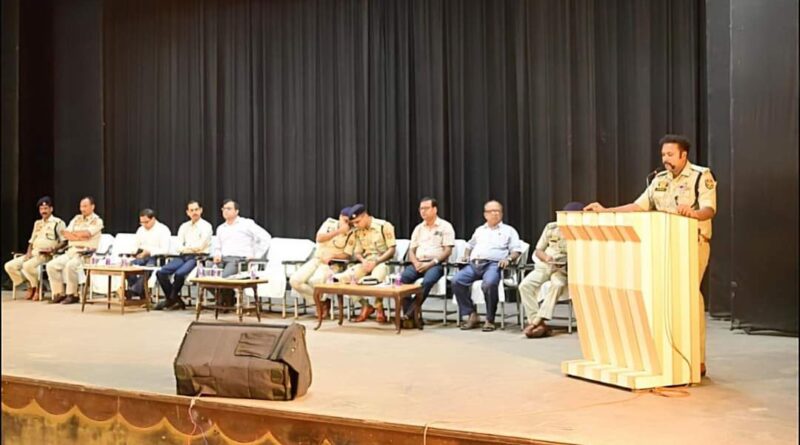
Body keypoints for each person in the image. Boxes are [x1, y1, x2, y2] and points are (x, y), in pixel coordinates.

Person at [584, 133, 716, 376]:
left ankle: (696, 358)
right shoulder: (659, 179)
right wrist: (606, 211)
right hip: (662, 245)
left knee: (688, 297)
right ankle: (666, 355)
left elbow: (709, 209)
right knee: (663, 298)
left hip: (692, 243)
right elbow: (638, 206)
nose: (665, 159)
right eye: (663, 154)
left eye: (670, 154)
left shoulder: (701, 175)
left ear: (683, 155)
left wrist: (694, 214)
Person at [453, 200, 525, 332]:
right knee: (457, 280)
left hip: (493, 264)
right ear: (485, 214)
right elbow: (469, 245)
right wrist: (466, 256)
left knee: (489, 284)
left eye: (497, 211)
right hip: (474, 264)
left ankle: (490, 319)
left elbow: (516, 250)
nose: (495, 214)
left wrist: (508, 259)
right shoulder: (480, 230)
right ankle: (471, 314)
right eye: (491, 211)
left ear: (501, 213)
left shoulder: (509, 230)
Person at [519, 202, 584, 338]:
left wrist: (565, 265)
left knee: (558, 284)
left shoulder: (582, 232)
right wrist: (546, 258)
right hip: (545, 265)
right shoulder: (551, 227)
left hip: (563, 270)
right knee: (524, 286)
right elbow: (538, 250)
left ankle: (536, 321)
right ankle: (539, 324)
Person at [333, 204, 396, 323]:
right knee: (343, 278)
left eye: (358, 222)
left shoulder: (383, 226)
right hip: (365, 262)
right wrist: (363, 261)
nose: (356, 225)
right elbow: (357, 252)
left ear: (365, 216)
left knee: (375, 279)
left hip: (382, 261)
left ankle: (379, 306)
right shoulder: (357, 231)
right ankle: (365, 305)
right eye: (354, 223)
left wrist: (376, 261)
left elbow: (392, 249)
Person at [399, 197, 455, 327]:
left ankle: (410, 314)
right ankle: (411, 316)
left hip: (436, 264)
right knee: (402, 280)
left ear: (435, 209)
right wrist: (415, 262)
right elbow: (411, 250)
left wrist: (431, 263)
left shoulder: (445, 226)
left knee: (427, 281)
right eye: (421, 209)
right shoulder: (418, 228)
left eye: (426, 208)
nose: (423, 211)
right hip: (418, 263)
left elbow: (447, 251)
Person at [289, 207, 354, 319]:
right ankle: (320, 302)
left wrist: (333, 256)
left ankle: (321, 304)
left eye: (350, 221)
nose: (347, 224)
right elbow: (319, 238)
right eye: (345, 220)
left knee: (315, 280)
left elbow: (347, 255)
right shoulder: (329, 223)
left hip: (333, 264)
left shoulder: (352, 232)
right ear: (340, 217)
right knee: (295, 281)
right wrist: (339, 231)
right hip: (317, 259)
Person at [4, 196, 66, 301]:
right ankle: (31, 285)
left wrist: (54, 249)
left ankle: (37, 288)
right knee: (9, 266)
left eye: (46, 208)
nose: (43, 211)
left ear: (51, 209)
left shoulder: (58, 222)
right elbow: (31, 241)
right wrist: (28, 253)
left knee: (27, 266)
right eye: (41, 209)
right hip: (33, 253)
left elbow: (64, 241)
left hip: (46, 255)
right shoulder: (37, 223)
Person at [212, 199, 271, 307]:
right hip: (223, 259)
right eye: (223, 209)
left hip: (239, 260)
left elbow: (266, 238)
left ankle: (225, 301)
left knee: (224, 279)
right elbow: (217, 247)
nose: (225, 211)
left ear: (236, 211)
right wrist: (217, 254)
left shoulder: (246, 224)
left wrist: (256, 256)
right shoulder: (221, 228)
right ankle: (227, 299)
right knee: (206, 278)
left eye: (229, 209)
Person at [155, 200, 213, 310]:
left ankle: (171, 300)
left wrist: (187, 248)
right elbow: (178, 246)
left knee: (179, 274)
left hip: (197, 257)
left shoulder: (206, 226)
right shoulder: (184, 226)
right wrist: (188, 248)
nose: (194, 212)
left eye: (196, 210)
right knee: (161, 272)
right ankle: (174, 299)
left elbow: (201, 246)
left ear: (201, 210)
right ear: (187, 212)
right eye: (191, 210)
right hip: (183, 256)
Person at [46, 196, 104, 305]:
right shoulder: (76, 219)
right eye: (81, 206)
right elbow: (65, 233)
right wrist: (80, 236)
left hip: (85, 254)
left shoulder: (97, 221)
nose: (82, 209)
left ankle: (72, 295)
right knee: (51, 265)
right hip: (71, 251)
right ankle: (59, 293)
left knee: (70, 265)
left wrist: (76, 235)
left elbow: (87, 234)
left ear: (92, 207)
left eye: (85, 206)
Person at [127, 209, 171, 298]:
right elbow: (135, 245)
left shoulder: (163, 229)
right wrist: (134, 252)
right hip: (142, 255)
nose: (144, 225)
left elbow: (165, 250)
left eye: (146, 222)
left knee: (148, 268)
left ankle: (134, 290)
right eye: (141, 222)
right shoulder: (140, 230)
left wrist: (149, 252)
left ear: (153, 219)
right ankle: (141, 293)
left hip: (156, 257)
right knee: (129, 266)